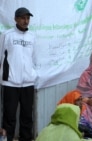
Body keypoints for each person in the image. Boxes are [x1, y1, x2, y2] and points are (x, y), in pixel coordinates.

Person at [0, 7, 37, 141]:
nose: (25, 21)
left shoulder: (32, 37)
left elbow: (34, 59)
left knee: (27, 116)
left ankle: (25, 139)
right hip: (10, 82)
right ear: (15, 19)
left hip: (28, 83)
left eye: (27, 18)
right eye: (22, 18)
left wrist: (32, 74)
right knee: (9, 116)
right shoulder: (7, 35)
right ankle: (7, 139)